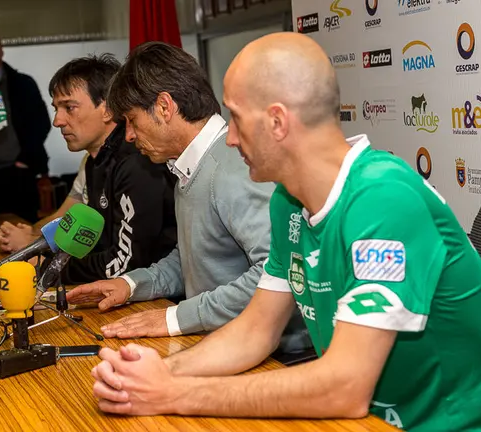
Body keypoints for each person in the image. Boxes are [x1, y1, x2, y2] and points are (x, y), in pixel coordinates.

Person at [89, 33, 481, 432]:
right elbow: (255, 332)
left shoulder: (383, 199)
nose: (231, 139)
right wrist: (159, 372)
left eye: (236, 120)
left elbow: (344, 386)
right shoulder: (288, 202)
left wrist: (175, 392)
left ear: (277, 122)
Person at [66, 42, 309, 349]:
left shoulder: (234, 167)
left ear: (165, 107)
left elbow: (278, 274)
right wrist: (130, 284)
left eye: (132, 120)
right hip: (226, 346)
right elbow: (195, 257)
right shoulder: (190, 165)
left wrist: (177, 317)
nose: (128, 135)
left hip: (277, 361)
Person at [0, 54, 177, 284]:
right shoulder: (95, 160)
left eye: (69, 107)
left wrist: (49, 269)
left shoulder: (136, 161)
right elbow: (92, 243)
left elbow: (127, 263)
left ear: (108, 109)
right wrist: (37, 248)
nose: (58, 121)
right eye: (56, 109)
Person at [0, 32, 51, 223]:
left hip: (17, 171)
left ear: (0, 53)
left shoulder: (22, 83)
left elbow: (41, 123)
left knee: (24, 230)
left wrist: (25, 160)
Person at [0, 154, 86, 250]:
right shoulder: (88, 161)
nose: (62, 137)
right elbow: (62, 215)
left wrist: (31, 242)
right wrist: (32, 232)